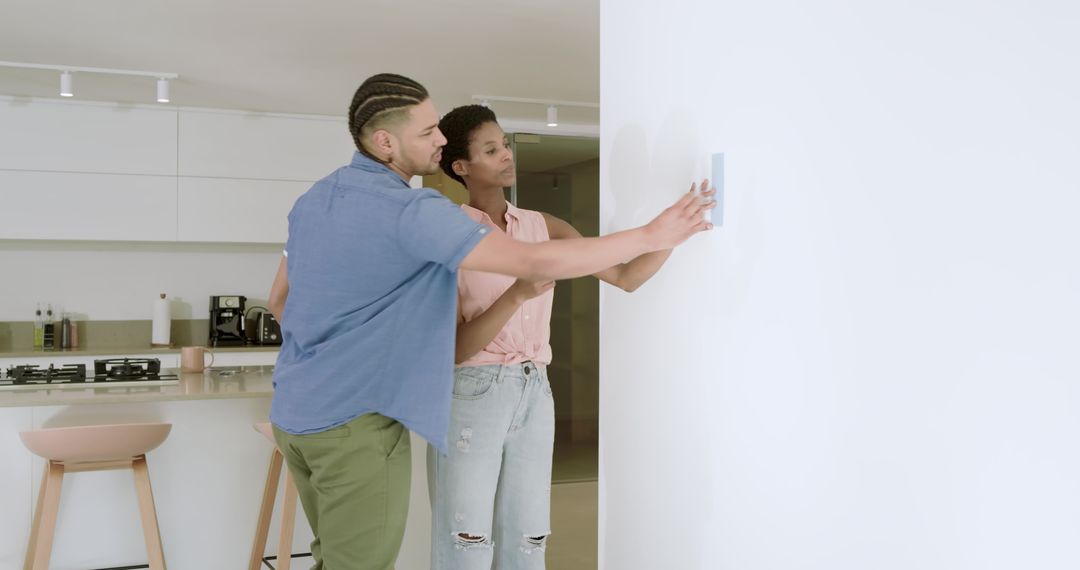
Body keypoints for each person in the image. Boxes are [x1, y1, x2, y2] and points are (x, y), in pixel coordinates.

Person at [267, 73, 713, 570]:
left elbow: (280, 303)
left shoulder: (315, 199)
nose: (438, 141)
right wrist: (653, 230)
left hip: (300, 411)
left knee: (519, 537)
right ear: (385, 142)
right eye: (428, 132)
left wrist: (674, 231)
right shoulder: (420, 214)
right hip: (368, 417)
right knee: (441, 544)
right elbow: (533, 265)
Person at [427, 105, 704, 569]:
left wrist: (673, 234)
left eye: (505, 145)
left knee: (529, 534)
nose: (506, 155)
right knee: (465, 536)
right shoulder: (445, 232)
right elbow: (454, 349)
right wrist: (517, 295)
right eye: (490, 149)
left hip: (536, 388)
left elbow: (625, 276)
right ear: (461, 166)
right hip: (471, 391)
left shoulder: (545, 227)